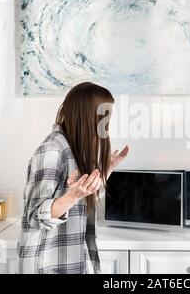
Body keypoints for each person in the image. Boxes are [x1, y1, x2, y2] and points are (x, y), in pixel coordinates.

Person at [17, 82, 129, 274]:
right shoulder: (52, 151)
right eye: (104, 117)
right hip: (46, 265)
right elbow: (35, 215)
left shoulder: (74, 149)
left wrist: (107, 169)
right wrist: (72, 197)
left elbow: (83, 197)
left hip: (69, 261)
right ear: (87, 117)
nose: (106, 126)